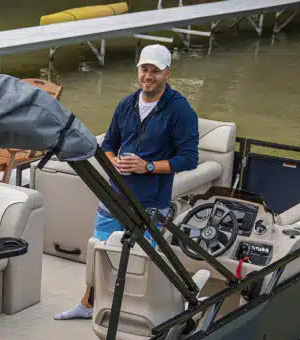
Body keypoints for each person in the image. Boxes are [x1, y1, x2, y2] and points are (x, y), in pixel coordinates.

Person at [55, 44, 199, 320]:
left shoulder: (180, 110)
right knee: (99, 251)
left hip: (151, 202)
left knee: (139, 263)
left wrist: (147, 166)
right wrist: (113, 162)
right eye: (144, 69)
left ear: (167, 73)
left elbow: (189, 159)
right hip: (114, 195)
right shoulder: (126, 104)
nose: (148, 75)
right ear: (138, 70)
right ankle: (87, 304)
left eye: (155, 70)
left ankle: (134, 314)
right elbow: (109, 144)